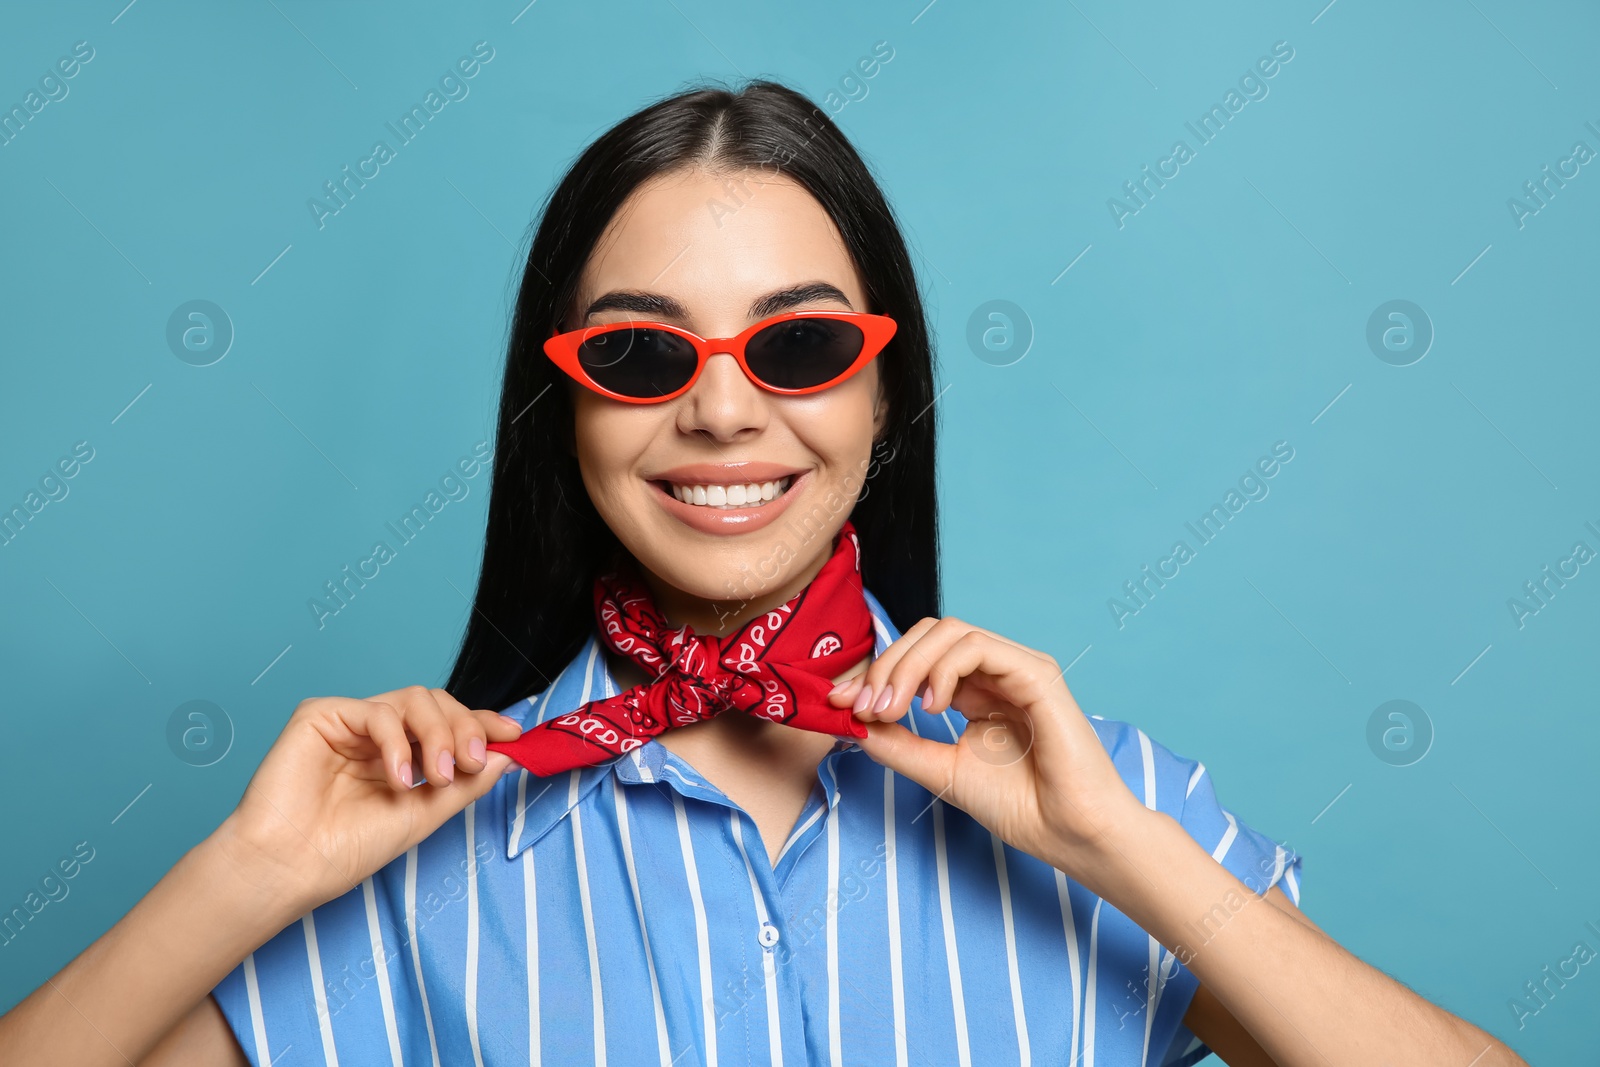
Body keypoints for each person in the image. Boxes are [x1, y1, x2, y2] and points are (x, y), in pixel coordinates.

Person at [0, 79, 1524, 1067]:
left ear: (884, 396)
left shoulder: (1109, 810)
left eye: (796, 345)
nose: (723, 409)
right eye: (644, 352)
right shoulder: (414, 860)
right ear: (569, 407)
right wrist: (246, 877)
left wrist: (1125, 852)